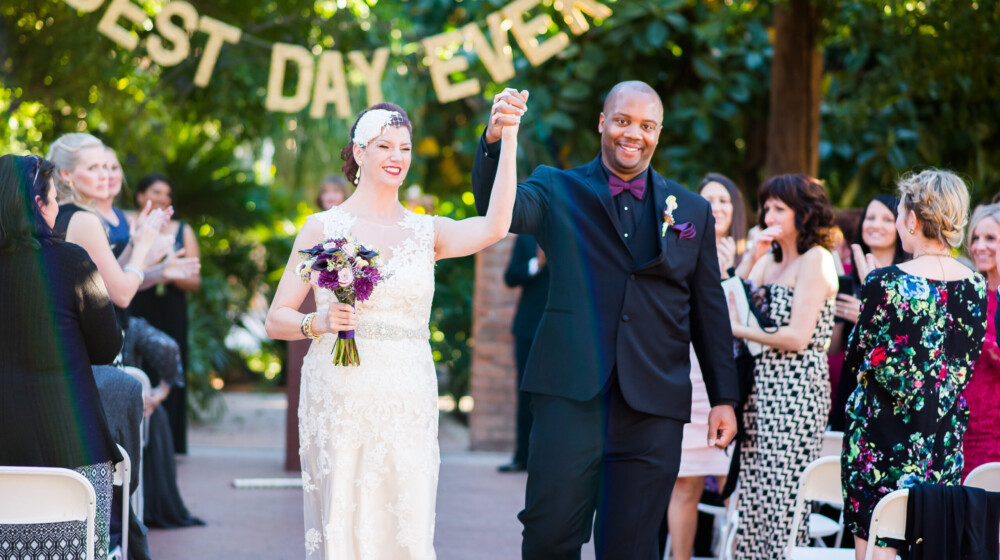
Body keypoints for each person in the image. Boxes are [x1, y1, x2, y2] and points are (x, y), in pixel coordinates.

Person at [475, 81, 739, 559]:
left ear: (658, 132)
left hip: (652, 406)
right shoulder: (556, 188)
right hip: (568, 398)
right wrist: (497, 141)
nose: (632, 134)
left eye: (646, 125)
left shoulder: (693, 211)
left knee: (634, 546)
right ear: (602, 122)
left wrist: (724, 396)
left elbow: (709, 310)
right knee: (549, 535)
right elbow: (502, 213)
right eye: (622, 121)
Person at [265, 98, 525, 559]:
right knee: (347, 516)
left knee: (405, 517)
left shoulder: (428, 232)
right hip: (340, 391)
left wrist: (508, 137)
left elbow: (496, 225)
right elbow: (276, 318)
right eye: (384, 145)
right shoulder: (322, 227)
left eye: (404, 147)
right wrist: (318, 321)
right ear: (359, 152)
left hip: (408, 392)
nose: (396, 157)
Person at [842, 169, 986, 560]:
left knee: (875, 551)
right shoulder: (976, 286)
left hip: (880, 443)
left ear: (912, 219)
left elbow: (858, 357)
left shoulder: (883, 282)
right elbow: (963, 366)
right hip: (941, 441)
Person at [0, 153, 124, 560]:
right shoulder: (71, 261)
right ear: (38, 206)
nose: (57, 209)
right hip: (74, 454)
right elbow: (108, 349)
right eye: (54, 200)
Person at [729, 174, 838, 560]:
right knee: (755, 495)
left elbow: (796, 337)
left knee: (783, 498)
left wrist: (739, 329)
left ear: (804, 214)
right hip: (759, 391)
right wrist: (749, 258)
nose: (768, 215)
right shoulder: (768, 260)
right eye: (766, 207)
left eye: (779, 208)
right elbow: (727, 300)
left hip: (795, 392)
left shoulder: (816, 259)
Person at [663, 173, 747, 560]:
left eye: (725, 200)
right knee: (684, 484)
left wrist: (733, 272)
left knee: (731, 488)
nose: (716, 206)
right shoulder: (678, 246)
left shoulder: (753, 257)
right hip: (684, 375)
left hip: (727, 382)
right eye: (708, 199)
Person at [129, 172, 202, 455]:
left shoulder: (182, 230)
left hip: (170, 309)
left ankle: (171, 444)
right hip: (136, 302)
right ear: (140, 195)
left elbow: (195, 280)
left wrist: (167, 273)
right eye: (156, 191)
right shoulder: (128, 223)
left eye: (167, 194)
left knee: (171, 365)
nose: (162, 198)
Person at [829, 195, 908, 430]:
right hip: (850, 383)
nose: (875, 224)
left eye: (886, 219)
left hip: (889, 389)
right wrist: (835, 318)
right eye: (870, 217)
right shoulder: (847, 277)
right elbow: (834, 347)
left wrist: (867, 318)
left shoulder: (908, 279)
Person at [497, 234, 549, 473]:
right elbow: (510, 277)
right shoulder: (527, 239)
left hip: (560, 328)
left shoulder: (571, 233)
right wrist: (536, 264)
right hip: (528, 327)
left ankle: (551, 460)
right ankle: (523, 457)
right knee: (525, 392)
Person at [963, 203, 1000, 479]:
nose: (979, 246)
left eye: (990, 238)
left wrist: (980, 338)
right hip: (964, 423)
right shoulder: (970, 291)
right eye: (975, 238)